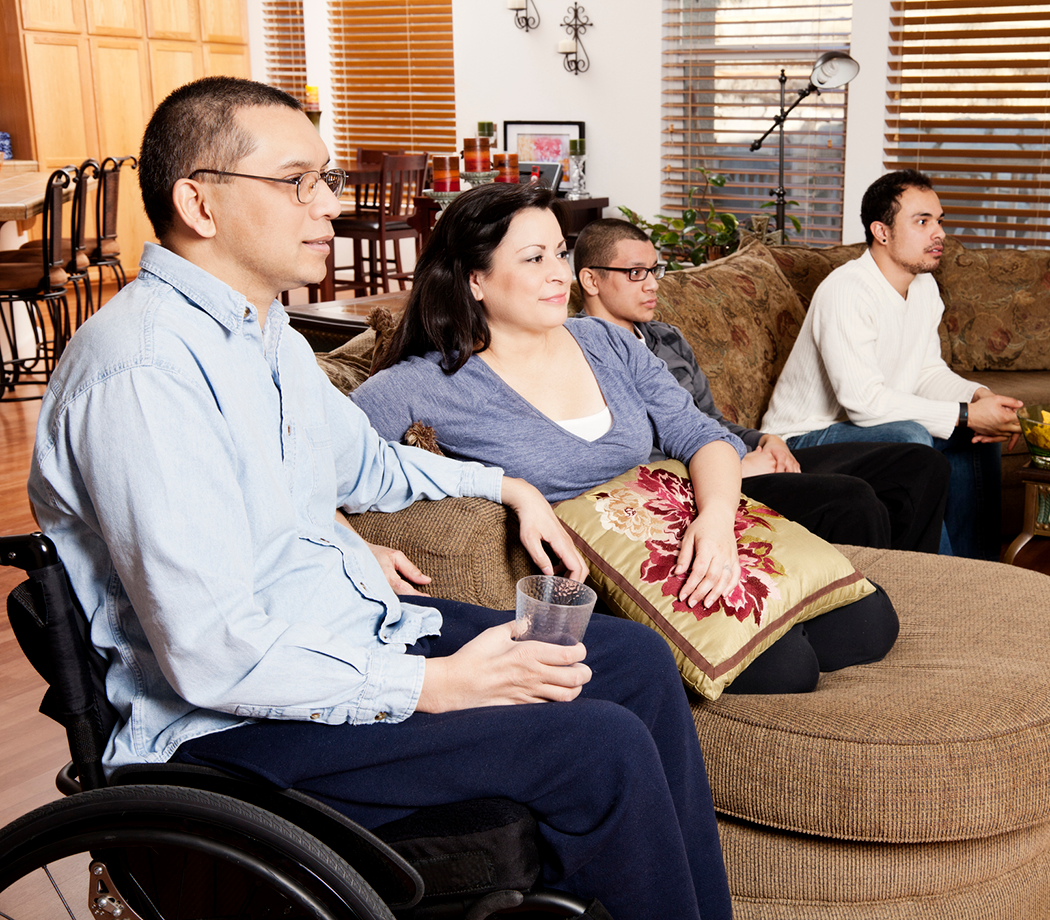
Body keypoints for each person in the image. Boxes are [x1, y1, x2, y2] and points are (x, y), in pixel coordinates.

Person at [27, 77, 735, 920]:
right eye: (298, 181)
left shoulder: (266, 339)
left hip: (342, 625)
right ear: (199, 203)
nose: (329, 203)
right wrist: (432, 685)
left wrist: (504, 484)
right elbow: (214, 654)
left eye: (324, 177)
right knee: (600, 746)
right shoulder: (145, 374)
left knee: (635, 662)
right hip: (232, 728)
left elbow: (369, 467)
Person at [352, 181, 899, 697]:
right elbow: (300, 471)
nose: (558, 275)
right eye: (533, 259)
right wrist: (359, 549)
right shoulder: (421, 384)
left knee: (871, 622)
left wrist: (715, 522)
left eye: (560, 254)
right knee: (788, 668)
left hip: (684, 528)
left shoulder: (604, 342)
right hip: (606, 585)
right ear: (476, 279)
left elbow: (702, 436)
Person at [572, 217, 950, 554]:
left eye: (656, 270)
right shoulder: (580, 356)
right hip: (700, 487)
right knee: (853, 499)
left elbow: (710, 419)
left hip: (741, 459)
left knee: (920, 464)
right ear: (591, 279)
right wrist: (732, 468)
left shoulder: (667, 339)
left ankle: (912, 589)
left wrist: (763, 440)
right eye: (636, 273)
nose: (653, 284)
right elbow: (624, 460)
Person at [761, 169, 1022, 560]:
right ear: (881, 232)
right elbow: (864, 403)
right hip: (804, 437)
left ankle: (977, 573)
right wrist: (966, 414)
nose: (940, 234)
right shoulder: (847, 290)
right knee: (911, 439)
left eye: (939, 221)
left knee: (975, 441)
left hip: (862, 429)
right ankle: (938, 578)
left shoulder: (923, 286)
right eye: (922, 222)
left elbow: (926, 372)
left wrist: (977, 396)